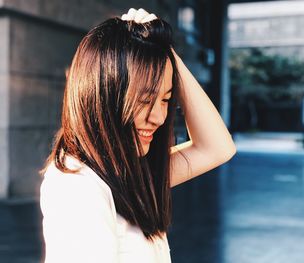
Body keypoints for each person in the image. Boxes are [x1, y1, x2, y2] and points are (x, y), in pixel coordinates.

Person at [39, 8, 236, 263]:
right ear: (104, 94)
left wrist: (166, 55)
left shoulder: (129, 173)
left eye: (165, 100)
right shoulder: (78, 185)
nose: (159, 117)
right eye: (145, 100)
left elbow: (218, 147)